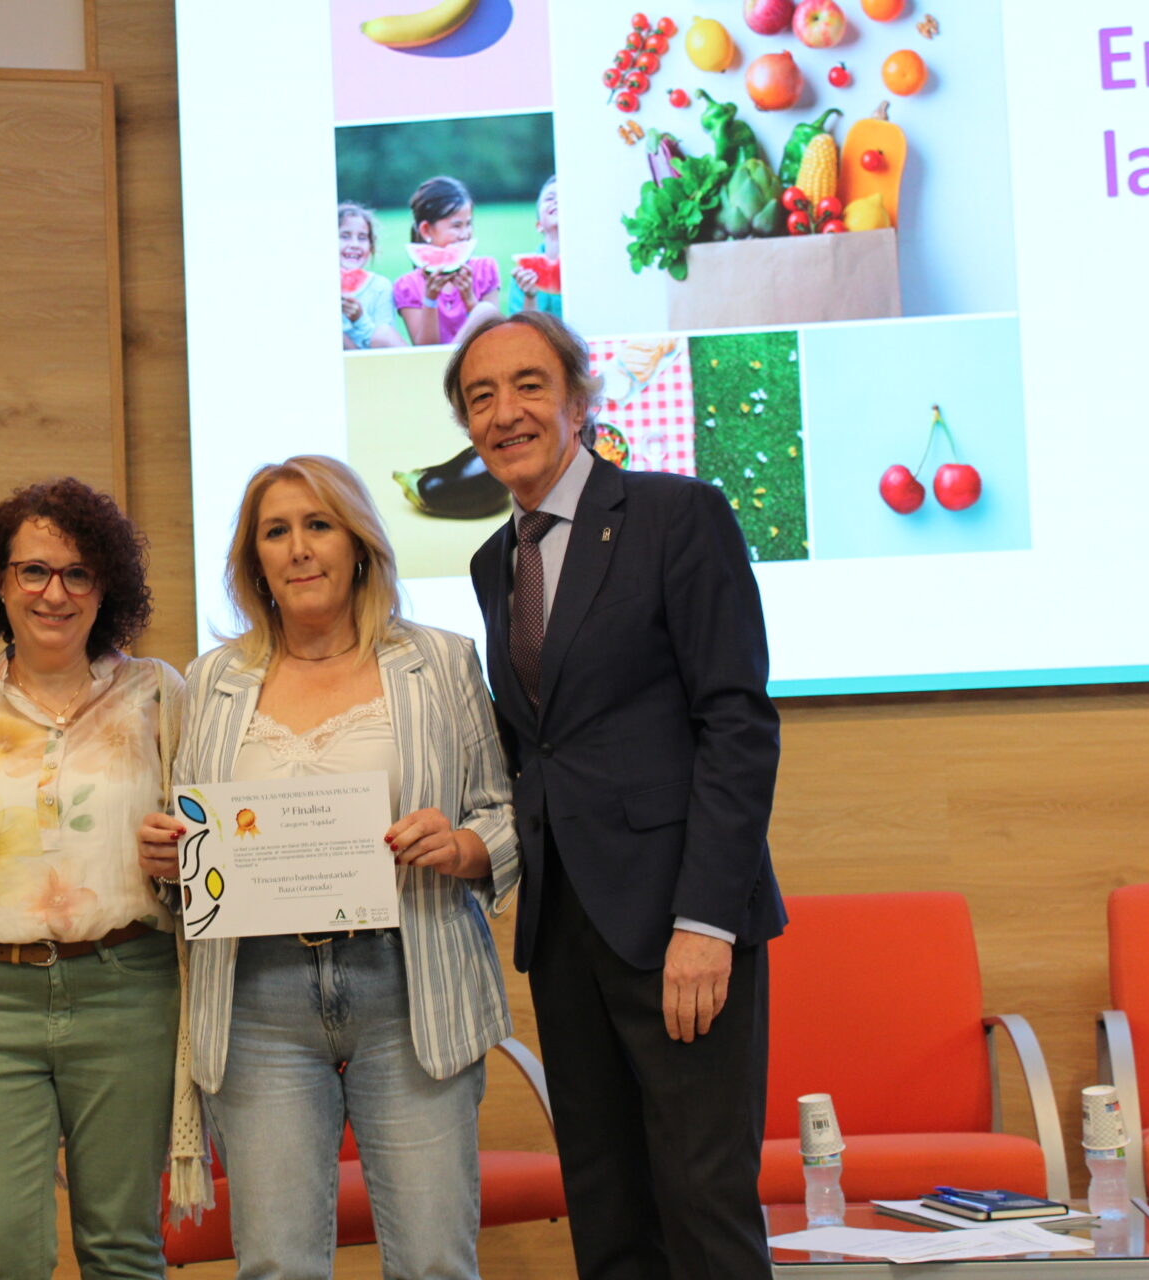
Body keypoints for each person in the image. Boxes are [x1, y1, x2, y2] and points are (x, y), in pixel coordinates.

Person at [446, 310, 786, 1280]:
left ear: (581, 398)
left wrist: (706, 922)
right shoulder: (493, 561)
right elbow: (539, 744)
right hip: (565, 933)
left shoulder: (678, 516)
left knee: (704, 1206)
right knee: (607, 1209)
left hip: (680, 924)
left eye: (528, 384)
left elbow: (737, 723)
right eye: (481, 397)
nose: (506, 412)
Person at [139, 455, 517, 1280]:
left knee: (434, 1264)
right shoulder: (213, 680)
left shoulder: (441, 661)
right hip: (257, 1000)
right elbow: (193, 845)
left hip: (410, 986)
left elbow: (503, 810)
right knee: (278, 1265)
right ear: (255, 559)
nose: (300, 548)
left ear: (359, 545)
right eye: (277, 531)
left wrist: (464, 847)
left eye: (319, 525)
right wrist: (169, 858)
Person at [0, 478, 208, 1279]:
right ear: (0, 582)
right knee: (5, 1251)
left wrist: (183, 864)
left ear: (106, 588)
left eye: (78, 573)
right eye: (34, 571)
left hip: (128, 992)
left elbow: (211, 860)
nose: (55, 592)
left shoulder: (161, 693)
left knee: (122, 1248)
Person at [392, 175, 503, 347]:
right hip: (435, 362)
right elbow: (424, 349)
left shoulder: (485, 269)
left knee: (485, 310)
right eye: (456, 226)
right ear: (426, 230)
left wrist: (469, 299)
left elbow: (494, 337)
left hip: (479, 356)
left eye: (469, 224)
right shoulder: (407, 285)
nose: (465, 234)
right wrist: (430, 300)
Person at [339, 201, 407, 350]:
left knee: (384, 332)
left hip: (376, 361)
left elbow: (384, 341)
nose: (355, 244)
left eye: (362, 237)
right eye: (345, 236)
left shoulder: (380, 287)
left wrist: (359, 320)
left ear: (371, 247)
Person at [503, 175, 562, 318]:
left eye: (564, 197)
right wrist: (530, 296)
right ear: (539, 225)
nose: (557, 201)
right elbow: (522, 329)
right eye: (550, 198)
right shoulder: (524, 274)